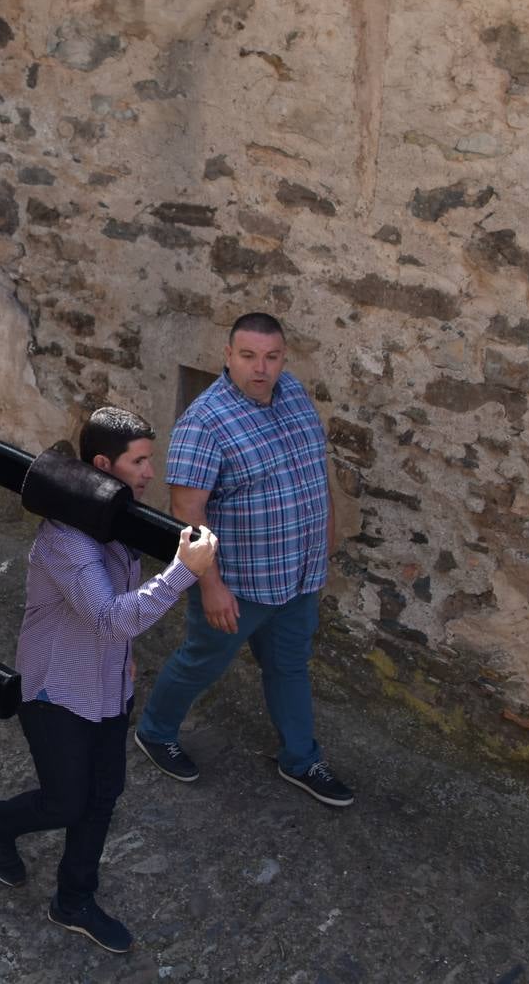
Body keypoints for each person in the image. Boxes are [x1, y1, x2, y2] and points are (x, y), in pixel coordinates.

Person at [0, 407, 219, 955]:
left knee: (103, 795)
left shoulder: (114, 519)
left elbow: (118, 621)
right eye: (140, 460)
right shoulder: (65, 540)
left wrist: (124, 661)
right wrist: (185, 571)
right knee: (65, 802)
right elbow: (110, 616)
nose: (151, 472)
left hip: (109, 686)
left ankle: (74, 899)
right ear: (104, 464)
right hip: (57, 692)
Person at [134, 312, 354, 808]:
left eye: (272, 357)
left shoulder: (293, 393)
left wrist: (326, 539)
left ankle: (301, 759)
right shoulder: (204, 423)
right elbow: (187, 513)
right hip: (240, 582)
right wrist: (210, 586)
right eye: (249, 356)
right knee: (201, 662)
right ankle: (155, 730)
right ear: (227, 357)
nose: (262, 368)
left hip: (299, 574)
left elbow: (314, 471)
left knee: (291, 666)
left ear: (283, 359)